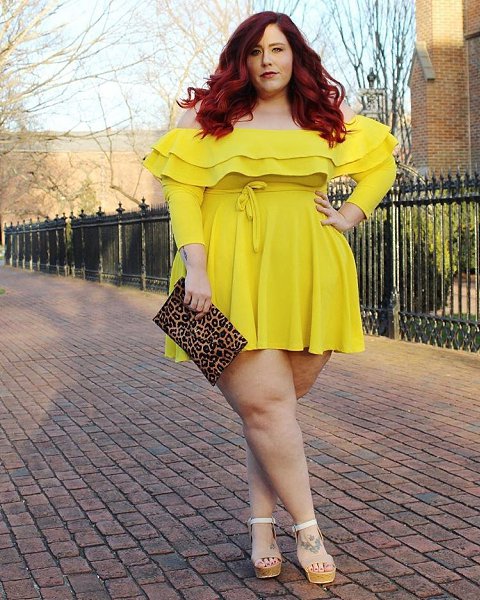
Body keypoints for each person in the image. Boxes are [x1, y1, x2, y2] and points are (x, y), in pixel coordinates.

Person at [143, 11, 397, 585]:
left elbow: (381, 164)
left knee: (273, 412)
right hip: (223, 274)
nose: (267, 60)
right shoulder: (206, 118)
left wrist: (351, 213)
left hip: (311, 271)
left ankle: (261, 526)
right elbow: (183, 193)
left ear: (295, 55)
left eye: (278, 49)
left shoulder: (324, 118)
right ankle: (308, 531)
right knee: (266, 408)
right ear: (241, 59)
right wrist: (196, 267)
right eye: (255, 51)